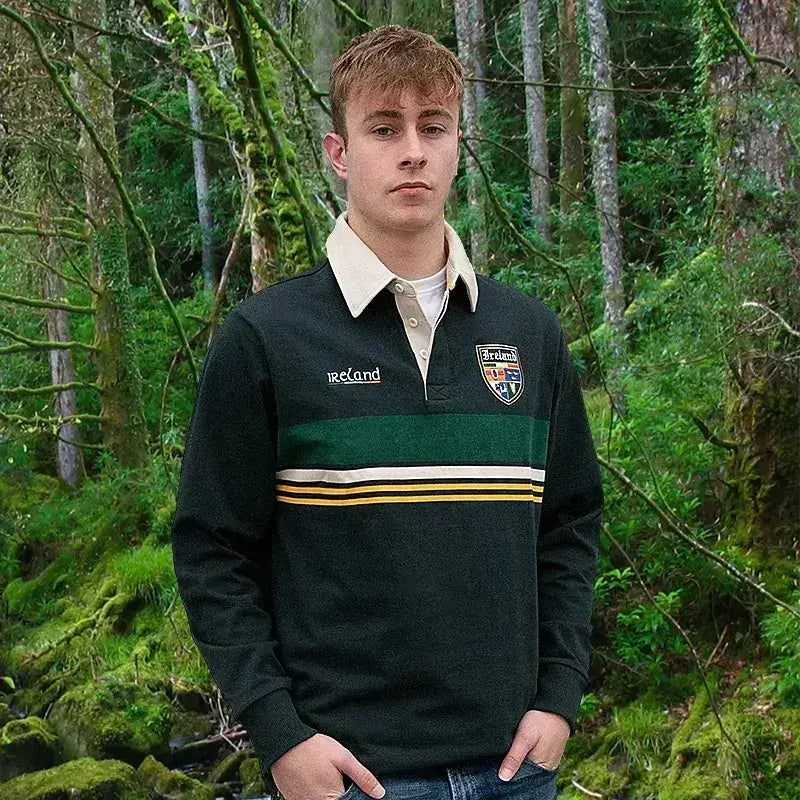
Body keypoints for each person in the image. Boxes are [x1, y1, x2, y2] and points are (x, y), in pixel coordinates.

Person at [171, 24, 603, 800]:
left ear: (459, 144)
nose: (413, 151)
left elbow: (569, 524)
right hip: (350, 777)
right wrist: (280, 733)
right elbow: (212, 549)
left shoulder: (529, 335)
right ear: (339, 153)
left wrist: (560, 696)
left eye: (433, 127)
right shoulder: (266, 339)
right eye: (384, 128)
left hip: (515, 769)